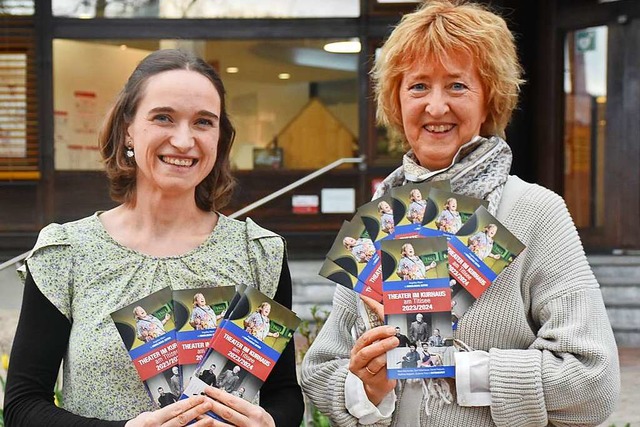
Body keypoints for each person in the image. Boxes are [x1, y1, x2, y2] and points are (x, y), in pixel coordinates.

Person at [301, 1, 619, 426]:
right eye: (417, 87)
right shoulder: (377, 219)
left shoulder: (534, 211)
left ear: (490, 99)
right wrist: (367, 386)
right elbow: (323, 369)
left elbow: (593, 382)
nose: (435, 107)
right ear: (395, 101)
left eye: (456, 86)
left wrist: (456, 369)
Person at [4, 49, 303, 427]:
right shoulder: (67, 253)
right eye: (163, 117)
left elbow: (285, 395)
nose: (183, 140)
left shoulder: (259, 253)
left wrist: (268, 423)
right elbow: (22, 407)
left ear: (219, 138)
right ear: (128, 127)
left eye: (203, 122)